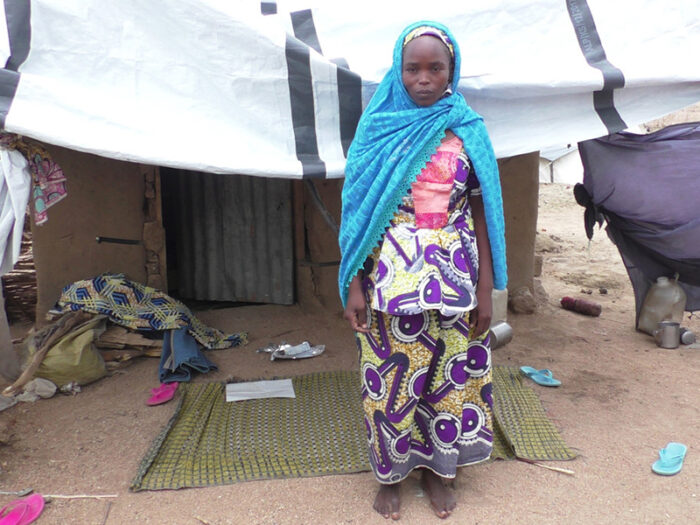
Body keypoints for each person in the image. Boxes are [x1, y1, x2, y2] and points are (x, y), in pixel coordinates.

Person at [338, 21, 507, 520]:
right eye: (413, 68)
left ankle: (437, 470)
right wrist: (353, 282)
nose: (424, 78)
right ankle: (390, 476)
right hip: (391, 279)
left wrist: (486, 288)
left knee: (449, 378)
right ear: (399, 69)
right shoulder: (377, 128)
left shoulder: (467, 127)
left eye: (436, 68)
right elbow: (357, 212)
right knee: (390, 380)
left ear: (452, 70)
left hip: (455, 276)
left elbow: (483, 211)